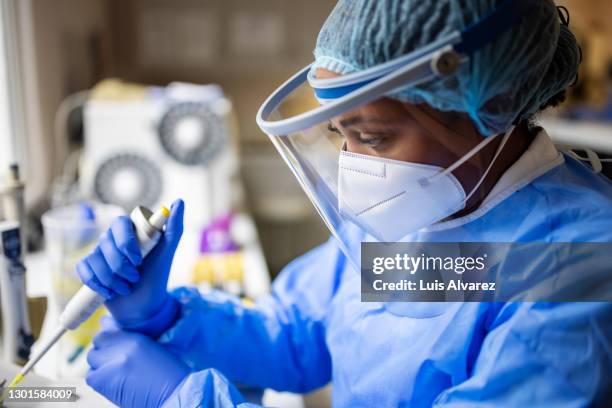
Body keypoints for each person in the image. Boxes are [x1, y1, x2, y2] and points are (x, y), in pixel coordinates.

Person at [78, 0, 612, 406]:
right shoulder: (432, 212)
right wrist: (168, 317)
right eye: (340, 136)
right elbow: (301, 334)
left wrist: (188, 399)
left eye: (373, 138)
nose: (352, 163)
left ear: (490, 107)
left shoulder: (573, 264)